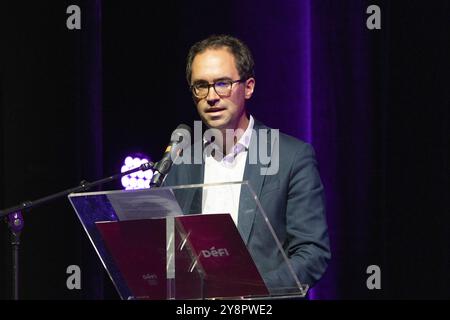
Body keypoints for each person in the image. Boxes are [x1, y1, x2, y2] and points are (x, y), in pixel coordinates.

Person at [163, 34, 330, 292]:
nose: (212, 96)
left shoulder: (292, 157)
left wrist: (249, 291)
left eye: (223, 83)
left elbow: (312, 253)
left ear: (248, 87)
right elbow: (168, 252)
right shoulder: (181, 163)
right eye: (201, 86)